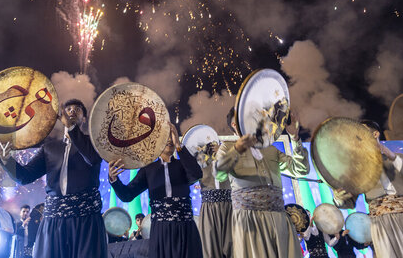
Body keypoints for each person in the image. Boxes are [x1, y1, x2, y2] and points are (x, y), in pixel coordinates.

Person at [0, 99, 108, 258]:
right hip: (54, 218)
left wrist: (72, 128)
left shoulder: (93, 143)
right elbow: (25, 176)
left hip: (86, 218)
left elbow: (92, 159)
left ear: (84, 118)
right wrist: (6, 160)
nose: (71, 111)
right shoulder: (50, 147)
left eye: (77, 109)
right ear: (61, 116)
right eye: (68, 108)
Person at [333, 120, 403, 258]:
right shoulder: (356, 170)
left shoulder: (400, 158)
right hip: (380, 224)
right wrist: (339, 197)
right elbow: (349, 203)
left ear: (375, 134)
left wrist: (393, 157)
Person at [215, 107, 308, 258]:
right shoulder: (227, 147)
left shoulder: (269, 148)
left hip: (278, 217)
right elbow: (219, 174)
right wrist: (237, 150)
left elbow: (300, 169)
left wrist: (295, 139)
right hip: (249, 221)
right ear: (234, 124)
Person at [108, 123, 203, 258]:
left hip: (185, 227)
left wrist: (179, 146)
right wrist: (114, 180)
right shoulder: (149, 169)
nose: (169, 140)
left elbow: (196, 174)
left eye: (171, 136)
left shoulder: (183, 164)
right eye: (165, 137)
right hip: (161, 230)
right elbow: (127, 195)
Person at [196, 141, 232, 258]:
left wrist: (222, 152)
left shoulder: (227, 151)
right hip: (209, 208)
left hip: (229, 207)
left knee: (233, 246)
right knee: (210, 249)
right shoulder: (199, 158)